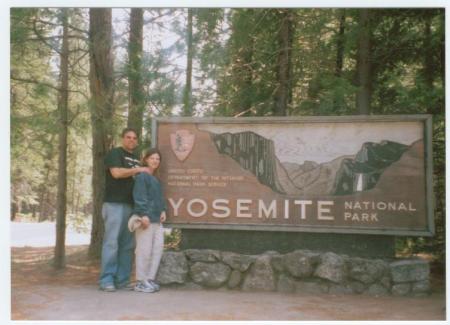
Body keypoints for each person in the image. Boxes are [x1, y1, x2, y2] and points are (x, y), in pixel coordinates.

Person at [99, 128, 150, 292]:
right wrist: (138, 169)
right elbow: (116, 173)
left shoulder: (136, 158)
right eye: (128, 137)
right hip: (114, 204)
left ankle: (122, 280)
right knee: (111, 243)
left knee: (127, 245)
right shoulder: (115, 153)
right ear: (122, 139)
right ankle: (107, 280)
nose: (131, 140)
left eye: (134, 138)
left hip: (131, 205)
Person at [131, 148, 167, 293]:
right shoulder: (142, 176)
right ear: (146, 159)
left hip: (157, 219)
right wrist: (143, 214)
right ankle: (140, 281)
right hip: (145, 219)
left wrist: (163, 210)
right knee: (143, 251)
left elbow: (159, 198)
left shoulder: (156, 178)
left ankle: (149, 279)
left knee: (157, 249)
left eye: (157, 159)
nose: (155, 161)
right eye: (152, 158)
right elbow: (140, 196)